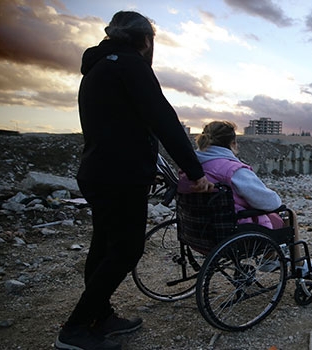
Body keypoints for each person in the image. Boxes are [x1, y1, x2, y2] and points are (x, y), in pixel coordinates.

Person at [56, 11, 214, 350]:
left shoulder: (99, 67)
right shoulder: (130, 66)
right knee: (127, 249)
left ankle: (100, 315)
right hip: (120, 175)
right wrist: (195, 171)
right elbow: (163, 119)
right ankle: (76, 328)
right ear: (145, 40)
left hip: (98, 171)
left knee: (103, 247)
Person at [177, 121, 312, 275]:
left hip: (196, 233)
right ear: (233, 143)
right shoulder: (232, 169)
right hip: (229, 233)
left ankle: (271, 258)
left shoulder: (191, 169)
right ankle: (292, 263)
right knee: (288, 213)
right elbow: (271, 202)